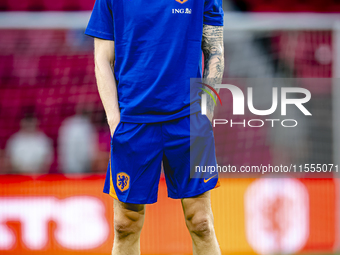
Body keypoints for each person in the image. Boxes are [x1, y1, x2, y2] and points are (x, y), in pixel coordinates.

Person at [85, 0, 224, 254]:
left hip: (189, 121)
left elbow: (214, 49)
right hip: (133, 123)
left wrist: (207, 111)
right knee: (125, 225)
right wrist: (115, 121)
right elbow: (102, 58)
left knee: (202, 222)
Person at [58, 105, 97, 173]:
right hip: (81, 168)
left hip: (67, 167)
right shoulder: (87, 126)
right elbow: (88, 151)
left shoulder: (67, 123)